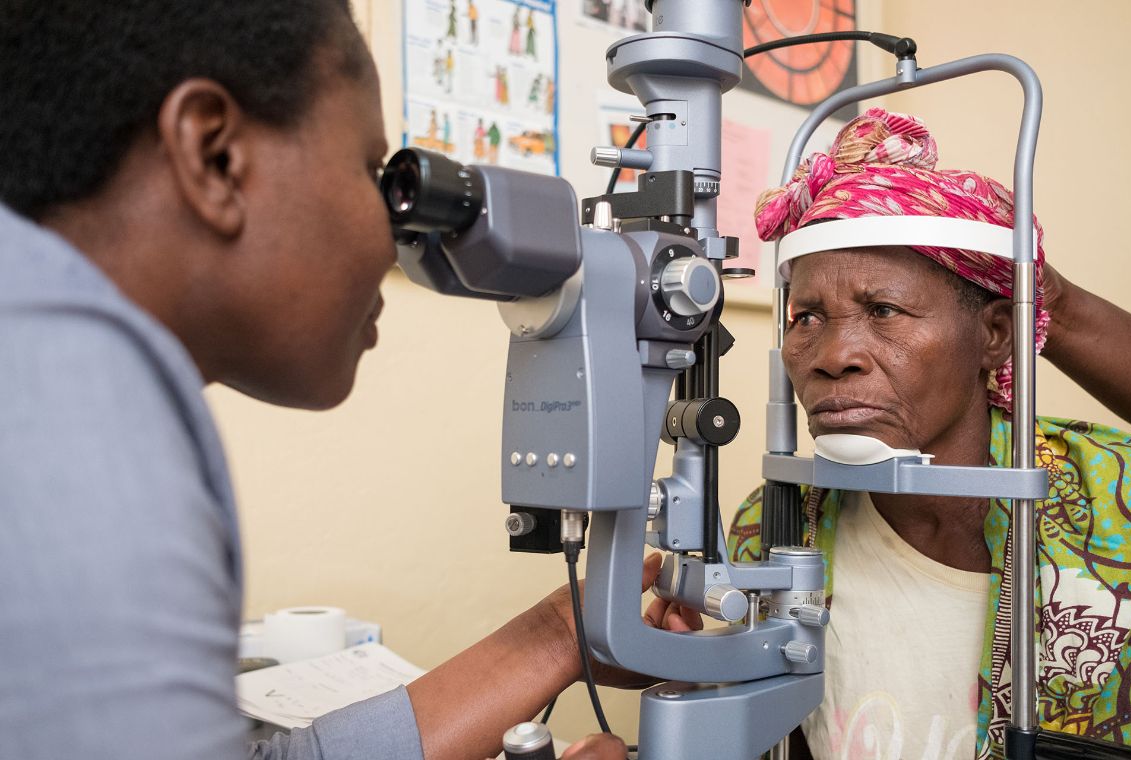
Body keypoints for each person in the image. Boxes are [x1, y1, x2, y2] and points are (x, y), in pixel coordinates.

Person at [0, 2, 652, 759]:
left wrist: (558, 637)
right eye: (368, 170)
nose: (392, 242)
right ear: (215, 156)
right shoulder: (72, 422)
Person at [727, 108, 1131, 759]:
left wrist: (1042, 289)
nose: (834, 355)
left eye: (883, 310)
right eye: (806, 316)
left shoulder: (1118, 499)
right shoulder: (771, 528)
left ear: (996, 335)